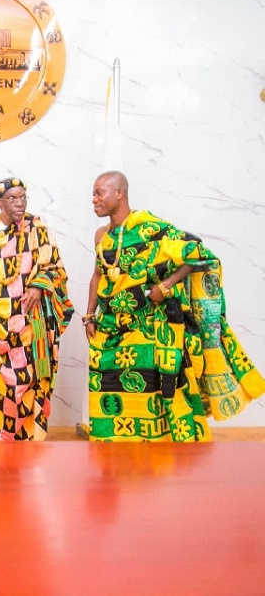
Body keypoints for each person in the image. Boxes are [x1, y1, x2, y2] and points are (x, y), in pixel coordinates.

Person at [84, 171, 265, 442]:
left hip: (145, 329)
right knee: (105, 389)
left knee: (150, 392)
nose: (94, 199)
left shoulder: (150, 228)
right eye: (94, 193)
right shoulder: (101, 236)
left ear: (119, 193)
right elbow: (98, 275)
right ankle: (113, 449)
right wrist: (89, 315)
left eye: (100, 192)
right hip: (109, 328)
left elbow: (194, 253)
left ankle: (154, 454)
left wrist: (164, 286)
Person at [0, 177, 75, 440]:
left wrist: (39, 286)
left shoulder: (39, 232)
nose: (19, 203)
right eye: (12, 199)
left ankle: (28, 443)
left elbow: (56, 270)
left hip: (30, 327)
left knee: (30, 385)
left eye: (23, 198)